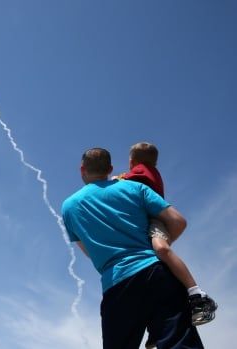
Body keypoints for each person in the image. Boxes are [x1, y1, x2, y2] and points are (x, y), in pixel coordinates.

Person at [62, 148, 204, 349]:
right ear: (110, 168)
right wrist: (159, 245)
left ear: (82, 169)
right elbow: (177, 221)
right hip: (157, 275)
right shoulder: (135, 188)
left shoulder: (68, 207)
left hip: (116, 286)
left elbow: (87, 251)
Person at [117, 142, 217, 326]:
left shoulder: (143, 171)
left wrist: (115, 180)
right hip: (145, 221)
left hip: (156, 220)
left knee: (161, 249)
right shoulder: (149, 170)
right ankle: (155, 326)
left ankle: (196, 293)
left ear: (132, 161)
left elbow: (126, 182)